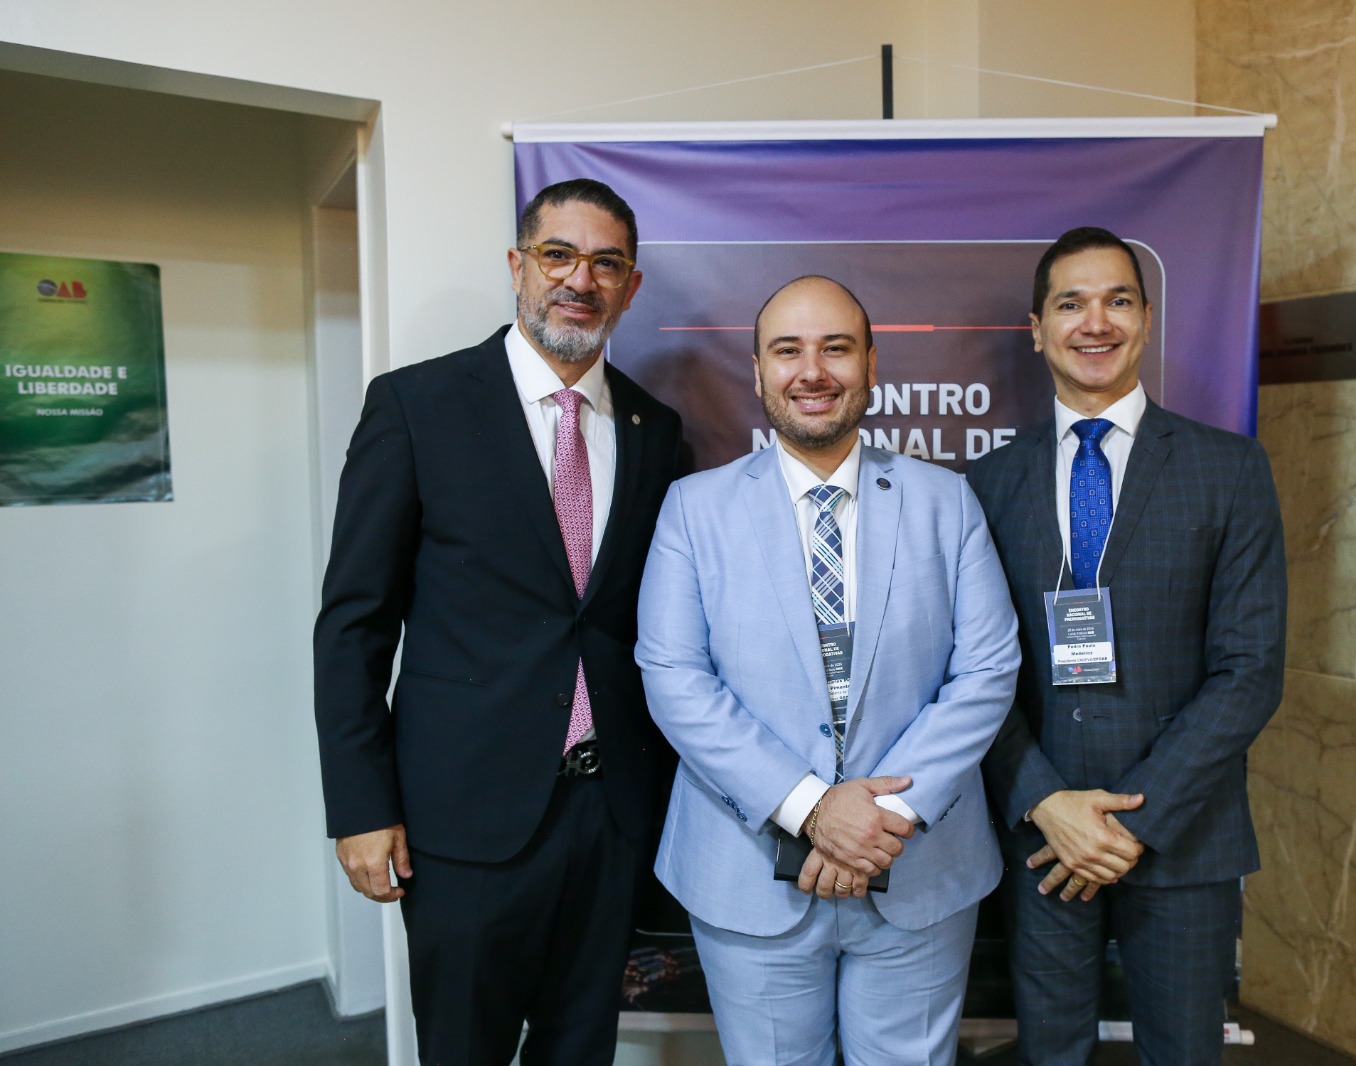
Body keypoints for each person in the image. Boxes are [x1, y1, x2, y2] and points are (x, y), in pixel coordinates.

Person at [313, 178, 682, 1065]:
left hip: (610, 816)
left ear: (631, 287)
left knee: (580, 1049)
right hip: (464, 821)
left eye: (606, 264)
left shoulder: (656, 429)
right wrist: (360, 808)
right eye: (558, 255)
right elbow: (354, 625)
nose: (580, 280)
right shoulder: (416, 406)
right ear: (518, 266)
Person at [635, 275, 1020, 1066]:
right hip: (749, 875)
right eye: (788, 351)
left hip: (917, 866)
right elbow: (674, 677)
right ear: (757, 372)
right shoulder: (692, 510)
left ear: (871, 364)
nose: (812, 371)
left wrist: (880, 822)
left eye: (836, 348)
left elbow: (987, 670)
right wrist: (812, 810)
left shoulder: (946, 502)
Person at [967, 227, 1287, 1066]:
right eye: (1070, 303)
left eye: (1117, 301)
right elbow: (971, 671)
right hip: (1043, 836)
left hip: (1185, 833)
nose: (1095, 322)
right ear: (1037, 328)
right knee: (1050, 1052)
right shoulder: (987, 483)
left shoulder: (1230, 469)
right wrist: (1045, 801)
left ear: (1146, 319)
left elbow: (1250, 670)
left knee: (1184, 1052)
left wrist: (1130, 823)